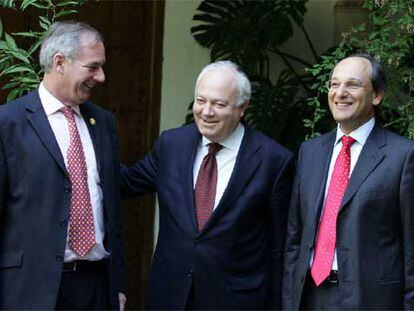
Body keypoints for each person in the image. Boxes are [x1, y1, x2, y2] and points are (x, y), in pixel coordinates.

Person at [121, 60, 294, 309]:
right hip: (171, 294)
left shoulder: (273, 160)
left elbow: (280, 246)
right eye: (201, 101)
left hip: (236, 300)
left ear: (242, 107)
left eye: (219, 104)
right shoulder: (172, 145)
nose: (206, 111)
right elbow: (126, 182)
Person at [0, 21, 126, 309]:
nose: (102, 76)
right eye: (93, 67)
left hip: (95, 287)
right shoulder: (8, 123)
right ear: (60, 63)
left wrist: (117, 285)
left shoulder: (103, 122)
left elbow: (113, 211)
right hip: (30, 289)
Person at [283, 54, 414, 309]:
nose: (340, 93)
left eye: (352, 85)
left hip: (371, 300)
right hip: (309, 296)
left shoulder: (403, 156)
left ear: (377, 95)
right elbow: (294, 239)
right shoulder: (309, 152)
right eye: (334, 84)